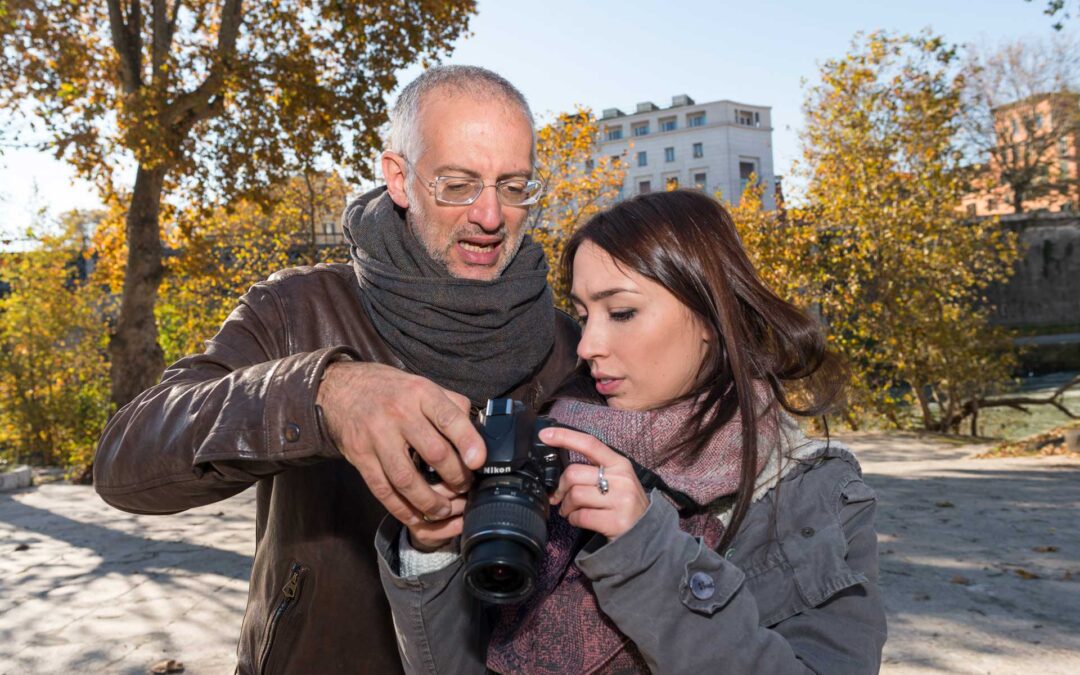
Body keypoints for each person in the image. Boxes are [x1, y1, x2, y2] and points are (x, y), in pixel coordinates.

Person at [92, 66, 581, 674]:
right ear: (399, 179)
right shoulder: (298, 309)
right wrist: (320, 394)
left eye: (513, 186)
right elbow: (125, 459)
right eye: (458, 184)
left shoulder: (567, 342)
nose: (490, 214)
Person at [376, 189, 888, 674]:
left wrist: (646, 550)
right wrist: (432, 552)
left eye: (621, 312)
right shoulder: (555, 443)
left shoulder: (814, 492)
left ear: (710, 314)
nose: (586, 345)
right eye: (582, 315)